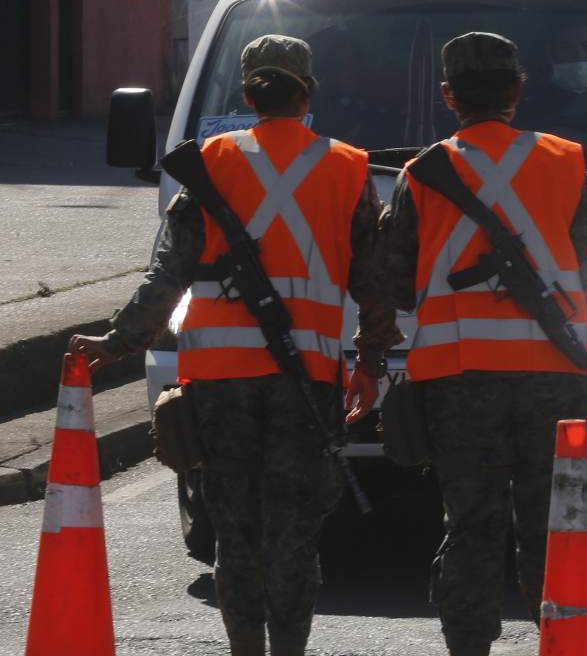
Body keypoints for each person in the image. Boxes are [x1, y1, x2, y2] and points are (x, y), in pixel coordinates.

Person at [70, 35, 398, 656]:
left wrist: (117, 342)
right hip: (308, 382)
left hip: (217, 381)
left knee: (235, 534)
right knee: (295, 534)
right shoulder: (348, 166)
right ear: (308, 93)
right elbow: (374, 285)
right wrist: (372, 361)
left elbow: (167, 274)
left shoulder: (210, 162)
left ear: (248, 94)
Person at [380, 32, 587, 656]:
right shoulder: (567, 161)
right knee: (559, 527)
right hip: (556, 375)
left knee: (470, 526)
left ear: (447, 96)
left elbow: (398, 280)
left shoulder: (421, 174)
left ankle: (468, 648)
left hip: (458, 378)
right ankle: (562, 639)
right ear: (517, 90)